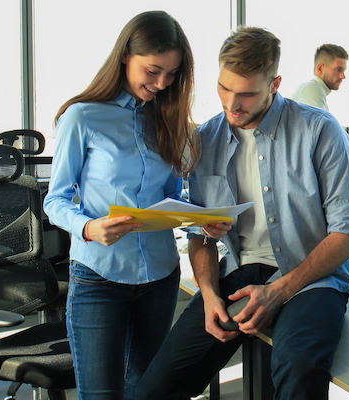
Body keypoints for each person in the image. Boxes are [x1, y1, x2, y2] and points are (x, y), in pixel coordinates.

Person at [137, 27, 349, 400]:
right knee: (154, 389)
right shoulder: (205, 140)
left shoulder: (320, 131)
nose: (232, 105)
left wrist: (276, 293)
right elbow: (200, 236)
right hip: (237, 271)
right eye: (224, 89)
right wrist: (209, 295)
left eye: (246, 95)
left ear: (274, 84)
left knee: (298, 369)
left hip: (310, 279)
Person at [43, 11, 230, 399]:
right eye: (153, 70)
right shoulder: (83, 117)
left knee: (145, 392)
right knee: (101, 395)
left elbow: (170, 198)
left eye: (172, 74)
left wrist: (199, 222)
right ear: (126, 55)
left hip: (160, 278)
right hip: (99, 278)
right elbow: (55, 199)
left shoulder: (165, 119)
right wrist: (88, 228)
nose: (161, 83)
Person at [291, 44, 348, 111]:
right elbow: (318, 122)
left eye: (343, 71)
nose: (343, 76)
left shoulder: (314, 89)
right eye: (338, 70)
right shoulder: (312, 87)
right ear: (320, 69)